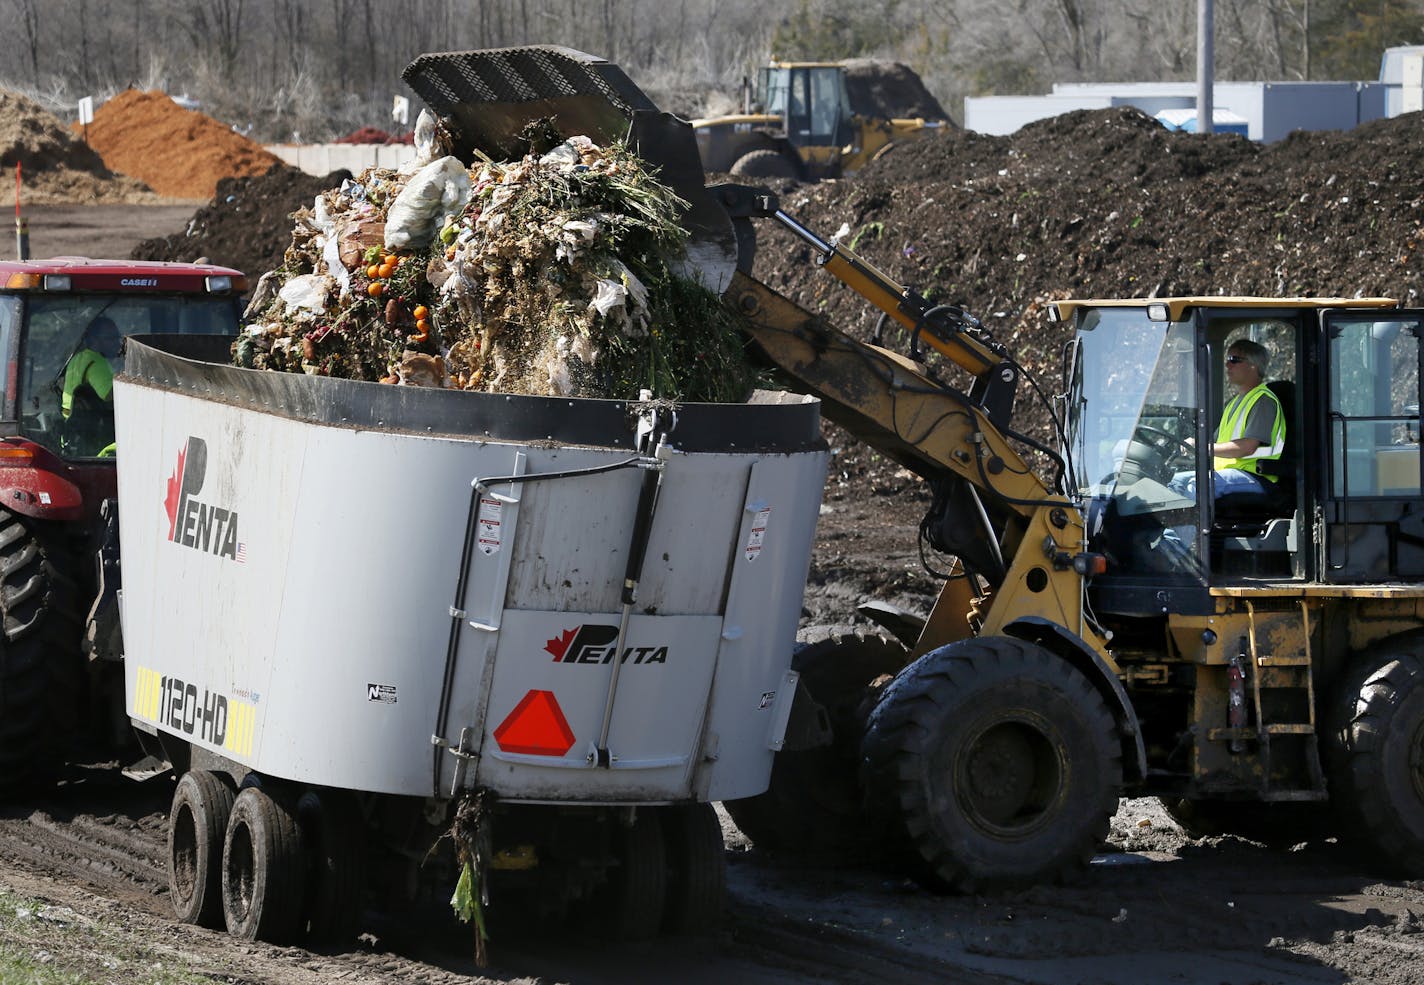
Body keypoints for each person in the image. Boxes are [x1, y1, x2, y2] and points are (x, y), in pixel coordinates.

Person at [1209, 338, 1286, 503]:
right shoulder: (1234, 403)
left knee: (1192, 487)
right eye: (1227, 360)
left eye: (1234, 360)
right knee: (1177, 482)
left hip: (1257, 477)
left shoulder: (1263, 401)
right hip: (1229, 474)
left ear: (1253, 365)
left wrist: (1203, 448)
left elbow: (1248, 447)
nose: (1228, 365)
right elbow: (1215, 443)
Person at [61, 316, 121, 455]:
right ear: (95, 340)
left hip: (70, 432)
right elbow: (109, 395)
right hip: (94, 439)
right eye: (111, 338)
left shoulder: (77, 359)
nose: (117, 343)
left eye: (117, 337)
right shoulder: (96, 362)